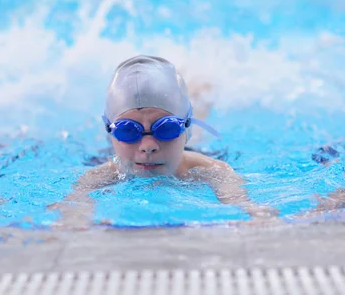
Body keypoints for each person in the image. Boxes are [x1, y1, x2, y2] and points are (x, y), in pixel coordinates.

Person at [55, 55, 277, 228]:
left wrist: (256, 215)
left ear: (185, 127)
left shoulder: (209, 169)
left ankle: (199, 87)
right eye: (127, 131)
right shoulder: (99, 175)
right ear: (110, 132)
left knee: (197, 130)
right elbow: (74, 208)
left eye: (166, 128)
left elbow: (242, 203)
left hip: (189, 150)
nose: (148, 145)